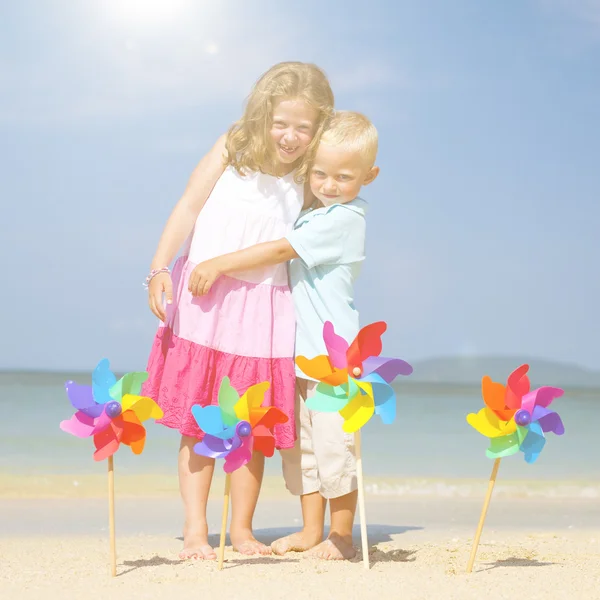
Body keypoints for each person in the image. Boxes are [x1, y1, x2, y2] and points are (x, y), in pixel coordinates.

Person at [142, 62, 334, 560]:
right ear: (263, 112)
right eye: (281, 123)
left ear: (318, 129)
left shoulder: (307, 175)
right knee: (200, 421)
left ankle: (243, 530)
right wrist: (159, 268)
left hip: (265, 307)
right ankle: (195, 531)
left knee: (251, 424)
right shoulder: (232, 147)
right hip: (205, 300)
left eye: (303, 127)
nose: (290, 136)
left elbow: (301, 241)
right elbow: (188, 205)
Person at [187, 111, 379, 560]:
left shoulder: (344, 219)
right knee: (302, 453)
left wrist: (218, 263)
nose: (329, 184)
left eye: (343, 176)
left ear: (369, 177)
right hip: (298, 355)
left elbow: (279, 249)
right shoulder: (314, 213)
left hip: (333, 361)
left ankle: (341, 535)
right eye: (319, 173)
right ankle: (311, 530)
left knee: (335, 448)